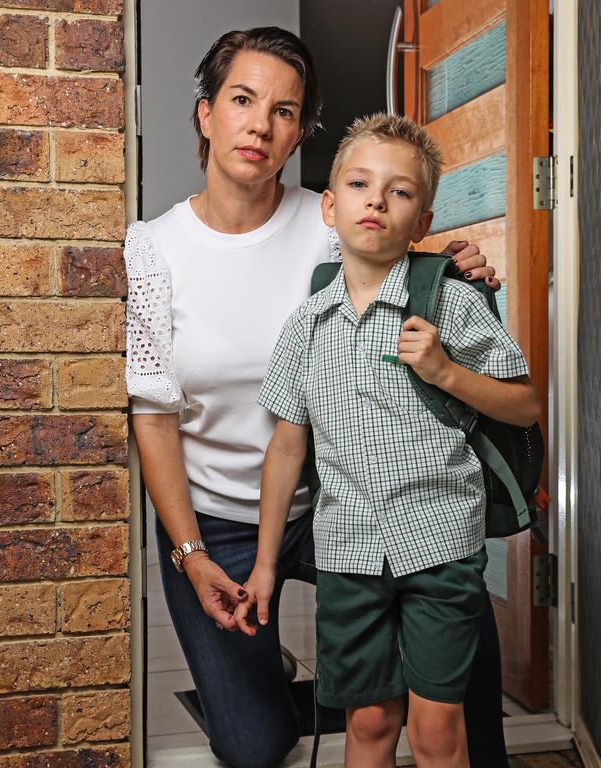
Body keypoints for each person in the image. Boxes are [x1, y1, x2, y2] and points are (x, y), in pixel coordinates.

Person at [125, 27, 504, 768]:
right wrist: (191, 553)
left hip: (343, 495)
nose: (261, 125)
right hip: (224, 523)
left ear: (300, 132)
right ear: (206, 114)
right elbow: (154, 418)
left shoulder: (329, 221)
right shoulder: (152, 249)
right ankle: (272, 663)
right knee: (256, 744)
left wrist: (454, 263)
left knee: (461, 658)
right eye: (242, 100)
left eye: (286, 110)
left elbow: (398, 263)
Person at [238, 114, 540, 768]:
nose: (376, 199)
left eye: (400, 192)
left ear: (423, 222)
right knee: (370, 722)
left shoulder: (451, 303)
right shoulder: (306, 326)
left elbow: (525, 405)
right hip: (348, 555)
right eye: (359, 183)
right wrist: (265, 566)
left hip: (440, 548)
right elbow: (287, 448)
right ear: (330, 205)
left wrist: (445, 372)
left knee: (436, 732)